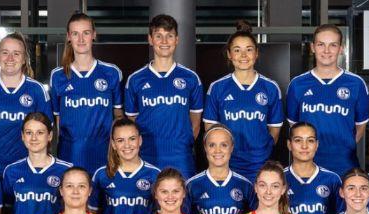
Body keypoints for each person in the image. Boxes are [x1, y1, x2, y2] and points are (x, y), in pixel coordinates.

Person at [124, 14, 203, 178]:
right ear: (150, 39)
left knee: (182, 195)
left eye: (169, 36)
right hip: (146, 157)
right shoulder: (136, 80)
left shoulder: (190, 78)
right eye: (158, 36)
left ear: (177, 40)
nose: (164, 41)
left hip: (181, 158)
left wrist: (181, 143)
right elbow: (132, 122)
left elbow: (195, 123)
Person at [203, 21, 283, 182]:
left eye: (249, 49)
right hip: (227, 166)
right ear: (229, 54)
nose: (243, 55)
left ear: (256, 53)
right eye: (237, 50)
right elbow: (211, 131)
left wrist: (260, 152)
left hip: (260, 166)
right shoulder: (217, 87)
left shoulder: (270, 87)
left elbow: (274, 132)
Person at [286, 24, 369, 176]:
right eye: (321, 45)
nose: (326, 50)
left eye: (333, 45)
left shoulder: (356, 83)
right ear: (313, 47)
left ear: (341, 49)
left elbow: (360, 127)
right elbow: (294, 126)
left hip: (345, 166)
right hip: (307, 167)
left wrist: (342, 146)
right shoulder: (297, 84)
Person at [49, 13, 124, 174]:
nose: (81, 39)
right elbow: (58, 121)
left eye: (86, 33)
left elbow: (118, 116)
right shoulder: (58, 76)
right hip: (69, 155)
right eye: (75, 33)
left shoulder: (111, 72)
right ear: (69, 37)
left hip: (104, 156)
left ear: (94, 35)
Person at [0, 32, 51, 170]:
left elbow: (46, 137)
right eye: (5, 53)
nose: (10, 58)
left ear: (24, 59)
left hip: (26, 170)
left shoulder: (37, 90)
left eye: (16, 53)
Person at [90, 118, 162, 214]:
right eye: (120, 140)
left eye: (132, 139)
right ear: (113, 144)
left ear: (140, 140)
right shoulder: (101, 174)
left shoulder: (155, 174)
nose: (127, 145)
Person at [186, 125, 256, 214]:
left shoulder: (245, 185)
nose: (217, 150)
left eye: (224, 145)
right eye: (212, 145)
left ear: (231, 147)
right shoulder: (191, 185)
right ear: (205, 148)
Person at [284, 121, 343, 214]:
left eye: (310, 140)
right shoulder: (279, 179)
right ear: (289, 144)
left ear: (317, 144)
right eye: (298, 140)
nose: (304, 146)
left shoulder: (332, 179)